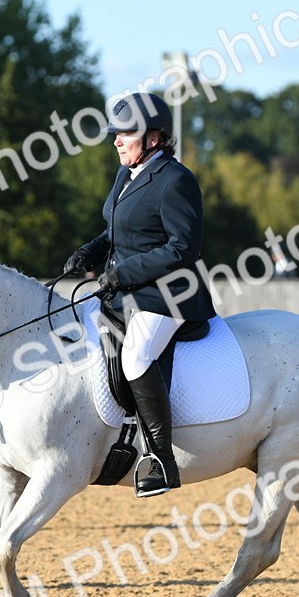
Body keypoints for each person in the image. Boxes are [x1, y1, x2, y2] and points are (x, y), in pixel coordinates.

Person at [63, 92, 216, 497]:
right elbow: (116, 231)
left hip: (169, 293)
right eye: (115, 133)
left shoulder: (176, 179)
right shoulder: (126, 173)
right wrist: (90, 252)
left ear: (153, 138)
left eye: (124, 133)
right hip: (127, 289)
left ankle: (161, 460)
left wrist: (121, 272)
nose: (115, 140)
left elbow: (183, 248)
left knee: (136, 355)